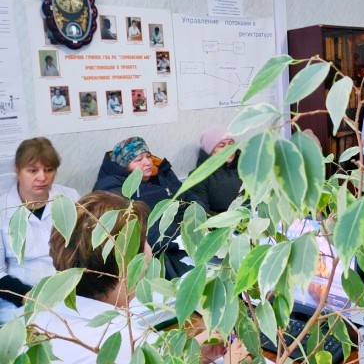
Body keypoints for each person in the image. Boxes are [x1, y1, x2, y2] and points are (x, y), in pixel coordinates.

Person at [33, 191, 248, 363]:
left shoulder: (40, 315)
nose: (150, 249)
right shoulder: (127, 342)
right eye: (145, 241)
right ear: (127, 264)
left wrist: (188, 355)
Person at [93, 137, 209, 279]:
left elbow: (188, 195)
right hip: (160, 251)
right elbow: (139, 230)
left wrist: (200, 218)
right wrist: (185, 236)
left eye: (148, 156)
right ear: (124, 166)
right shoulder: (112, 190)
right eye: (138, 160)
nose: (148, 162)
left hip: (190, 236)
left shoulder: (162, 174)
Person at [0, 137, 79, 323]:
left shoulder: (70, 198)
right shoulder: (3, 209)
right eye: (33, 170)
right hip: (20, 301)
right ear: (17, 170)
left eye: (49, 170)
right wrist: (28, 296)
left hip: (70, 291)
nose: (42, 177)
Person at [189, 127, 242, 215]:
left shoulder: (244, 168)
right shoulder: (198, 177)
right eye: (222, 146)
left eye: (231, 143)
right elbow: (202, 214)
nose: (228, 149)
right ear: (210, 150)